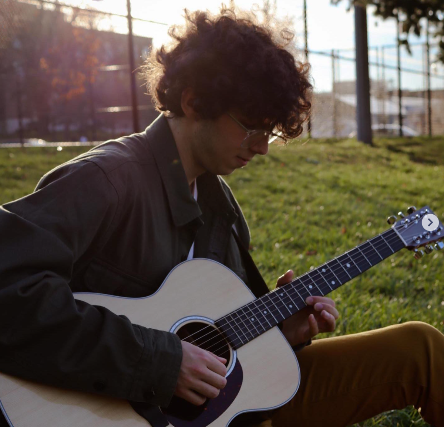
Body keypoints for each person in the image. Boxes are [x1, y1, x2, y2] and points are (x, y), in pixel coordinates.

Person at [0, 7, 443, 427]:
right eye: (251, 126)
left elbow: (224, 346)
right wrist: (161, 361)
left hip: (228, 409)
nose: (262, 147)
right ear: (194, 102)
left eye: (269, 131)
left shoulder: (220, 207)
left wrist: (281, 331)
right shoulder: (107, 180)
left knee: (421, 348)